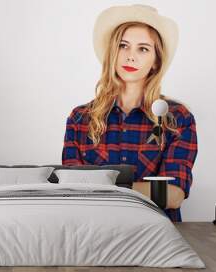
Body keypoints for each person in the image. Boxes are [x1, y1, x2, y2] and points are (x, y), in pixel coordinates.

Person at [61, 4, 198, 222]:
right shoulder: (80, 119)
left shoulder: (178, 118)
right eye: (123, 46)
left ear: (155, 61)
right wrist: (144, 189)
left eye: (143, 49)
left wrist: (102, 185)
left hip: (155, 237)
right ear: (113, 53)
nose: (130, 57)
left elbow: (173, 195)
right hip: (95, 234)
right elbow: (73, 192)